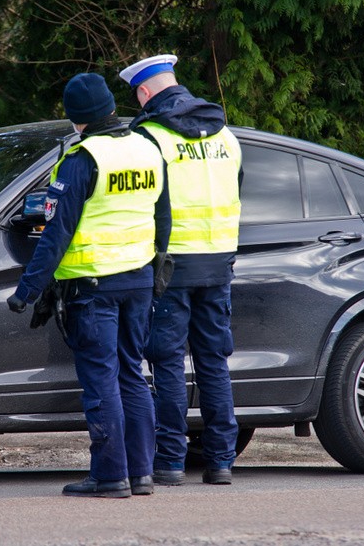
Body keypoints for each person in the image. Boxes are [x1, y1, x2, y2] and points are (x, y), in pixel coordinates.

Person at [7, 72, 170, 498]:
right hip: (139, 280)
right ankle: (142, 474)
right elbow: (163, 216)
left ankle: (110, 476)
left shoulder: (83, 159)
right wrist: (158, 267)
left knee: (102, 378)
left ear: (76, 119)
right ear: (112, 108)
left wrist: (27, 291)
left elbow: (56, 233)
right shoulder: (148, 147)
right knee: (132, 373)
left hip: (93, 287)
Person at [119, 54, 242, 485]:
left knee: (168, 362)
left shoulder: (150, 136)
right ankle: (221, 462)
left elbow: (141, 202)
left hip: (170, 267)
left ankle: (170, 461)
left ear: (144, 91)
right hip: (219, 261)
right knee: (214, 361)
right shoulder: (226, 134)